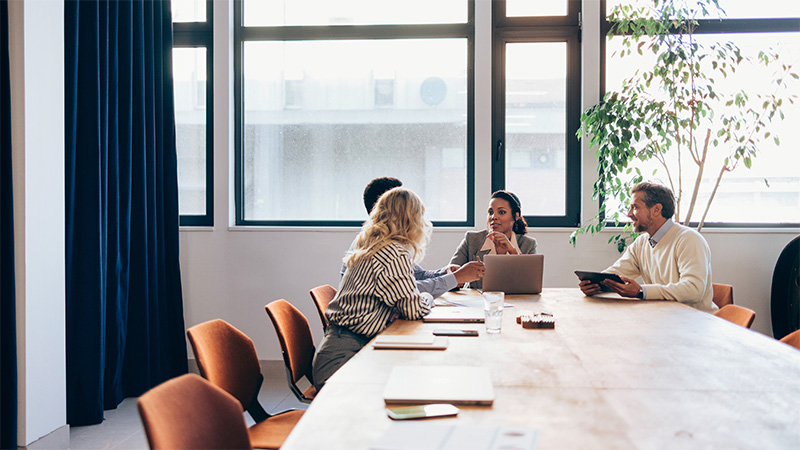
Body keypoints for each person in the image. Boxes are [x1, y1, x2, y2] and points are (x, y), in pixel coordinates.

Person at [313, 187, 435, 390]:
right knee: (414, 382)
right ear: (412, 220)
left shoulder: (372, 244)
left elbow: (397, 301)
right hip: (343, 363)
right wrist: (427, 296)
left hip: (341, 350)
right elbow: (414, 309)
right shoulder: (393, 253)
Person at [578, 182, 716, 312]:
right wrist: (596, 285)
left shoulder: (688, 239)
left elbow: (693, 290)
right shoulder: (642, 242)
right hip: (663, 319)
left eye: (635, 207)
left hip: (695, 323)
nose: (629, 214)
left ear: (656, 210)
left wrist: (641, 291)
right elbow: (615, 275)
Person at [341, 177, 484, 297]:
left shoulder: (387, 241)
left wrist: (445, 272)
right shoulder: (378, 246)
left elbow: (418, 275)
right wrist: (455, 278)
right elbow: (409, 290)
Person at [449, 190, 538, 290]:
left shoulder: (528, 244)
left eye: (501, 212)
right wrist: (456, 275)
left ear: (516, 216)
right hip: (477, 301)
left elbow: (529, 285)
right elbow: (450, 275)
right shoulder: (472, 239)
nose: (494, 217)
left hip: (515, 302)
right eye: (490, 212)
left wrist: (512, 251)